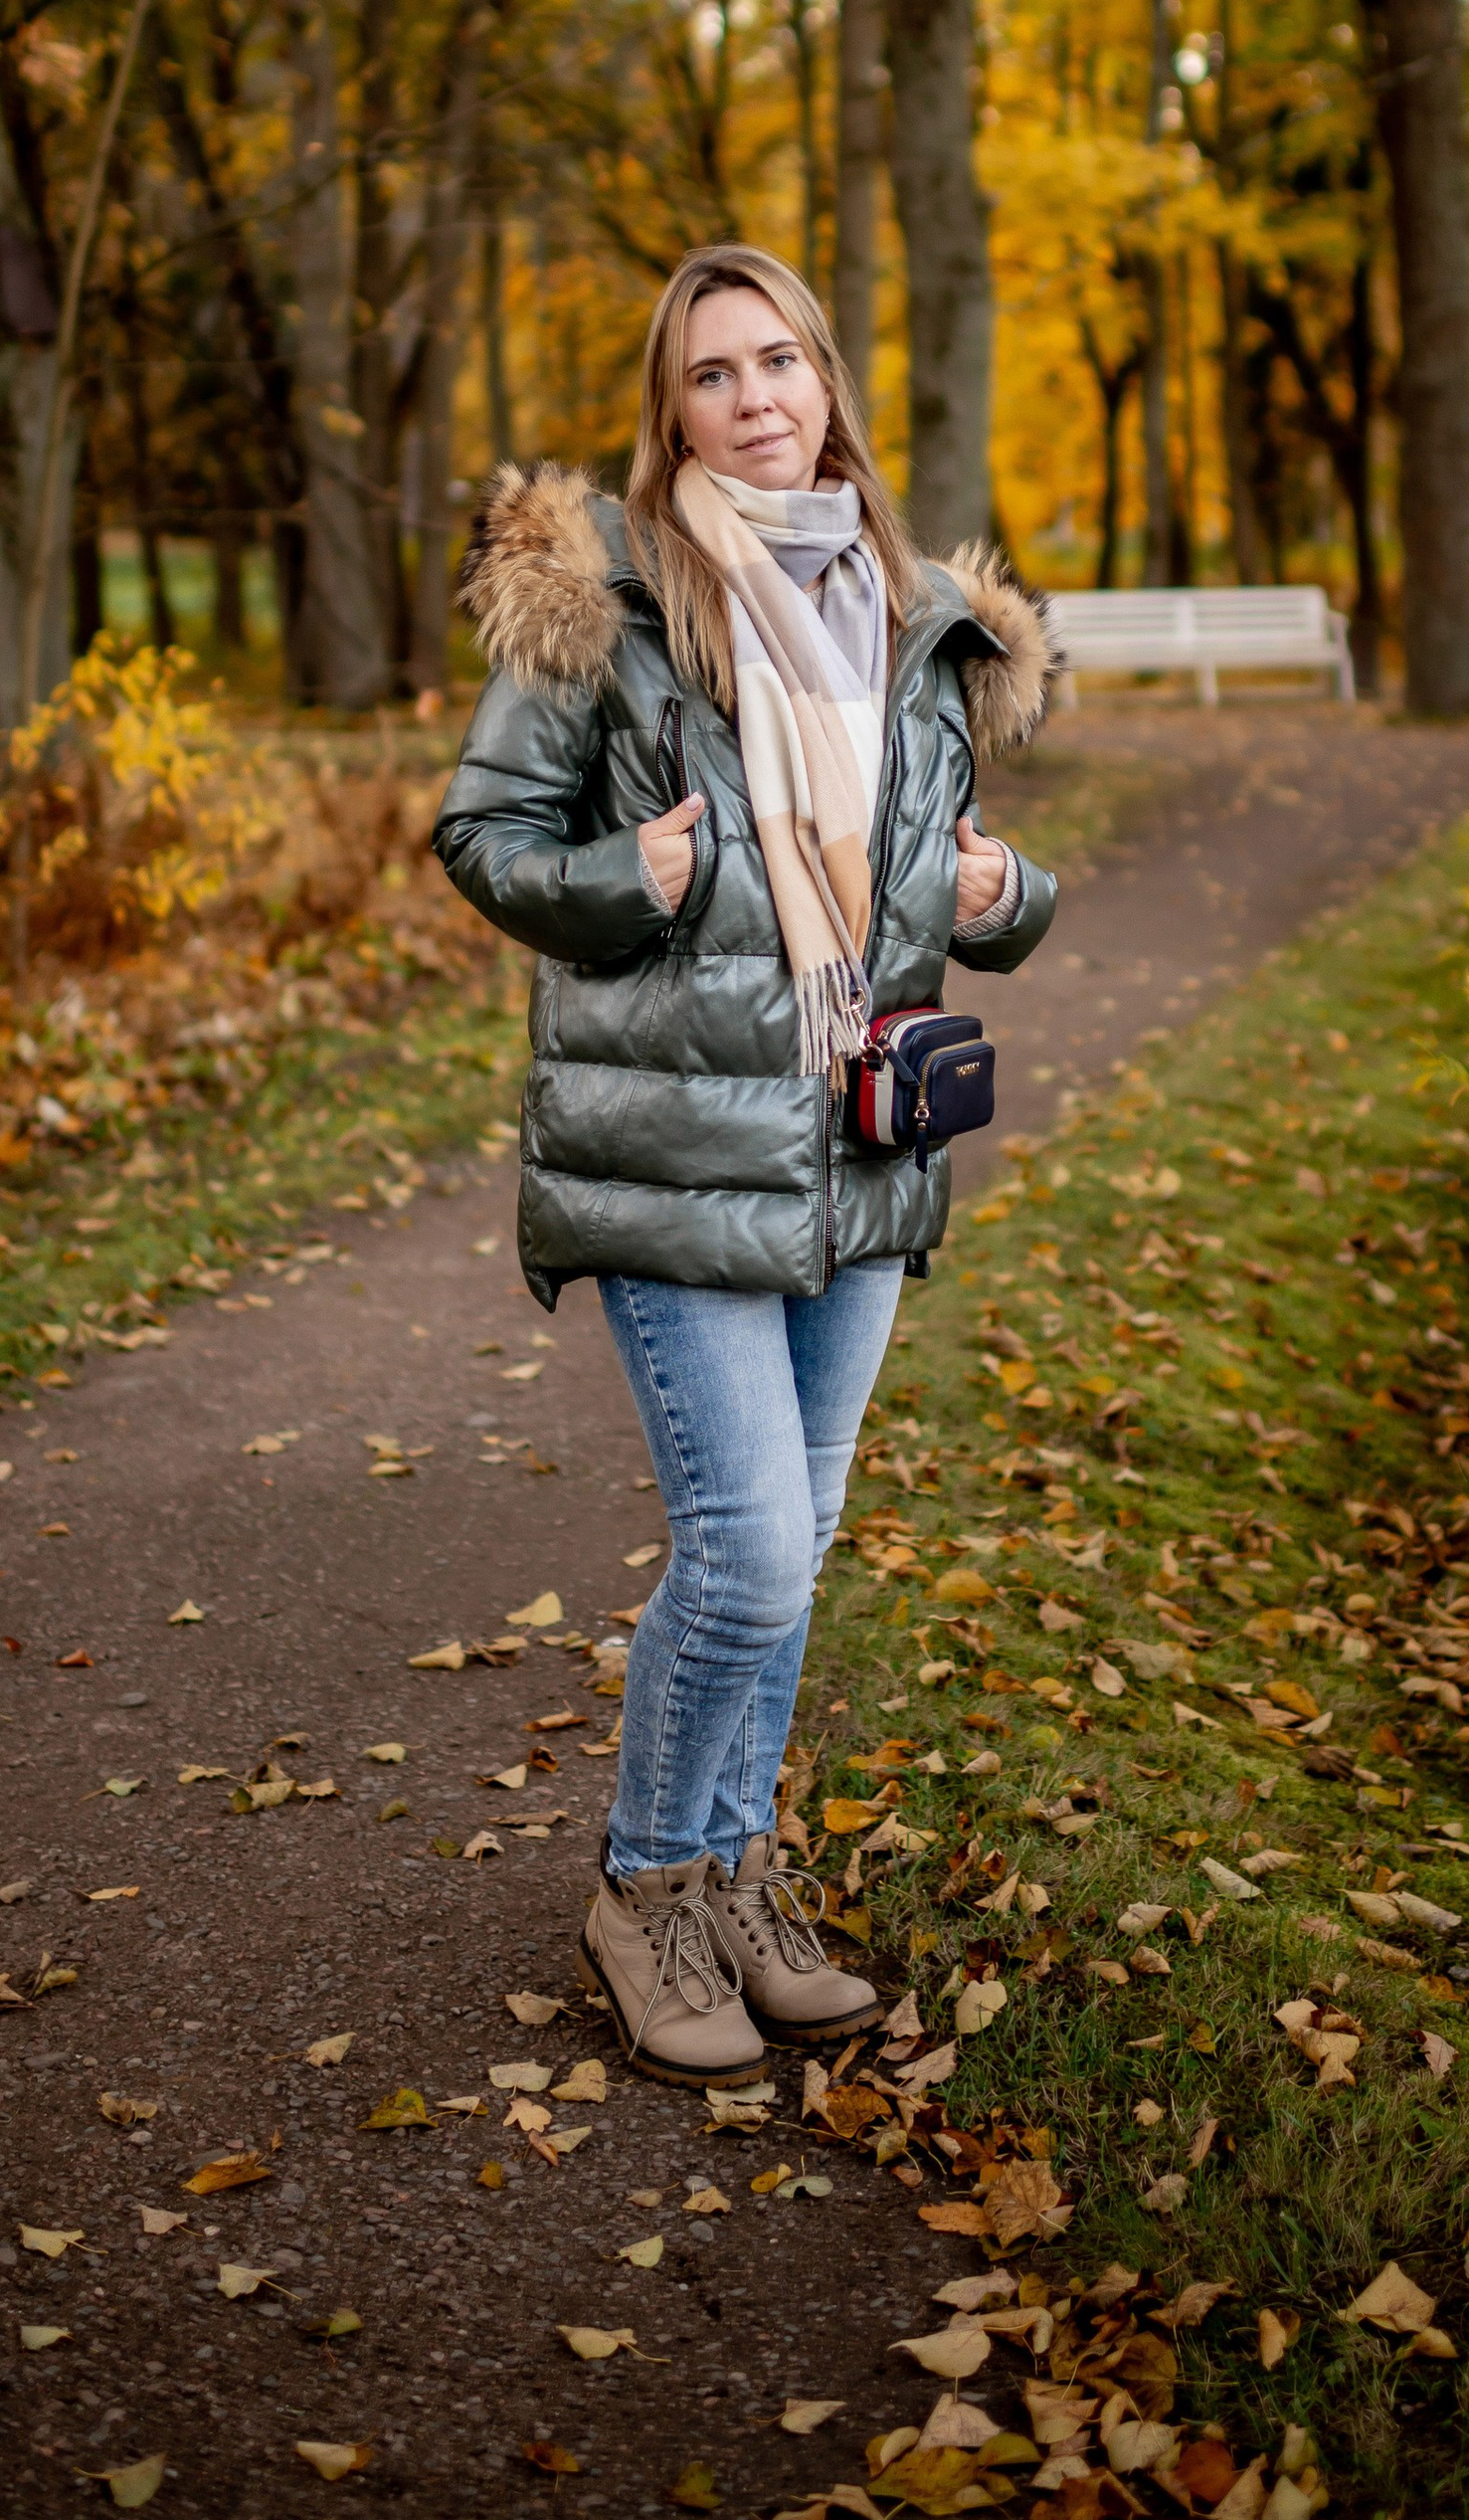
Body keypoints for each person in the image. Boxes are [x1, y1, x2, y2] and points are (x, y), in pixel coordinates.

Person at [433, 245, 1057, 2082]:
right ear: (673, 410)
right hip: (672, 1149)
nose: (756, 396)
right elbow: (484, 838)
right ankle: (644, 1893)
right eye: (715, 374)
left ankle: (738, 1878)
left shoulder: (918, 615)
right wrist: (634, 878)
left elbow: (955, 888)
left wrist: (1009, 899)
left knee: (801, 1547)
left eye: (781, 360)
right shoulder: (603, 611)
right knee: (752, 1545)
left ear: (828, 383)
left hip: (857, 1145)